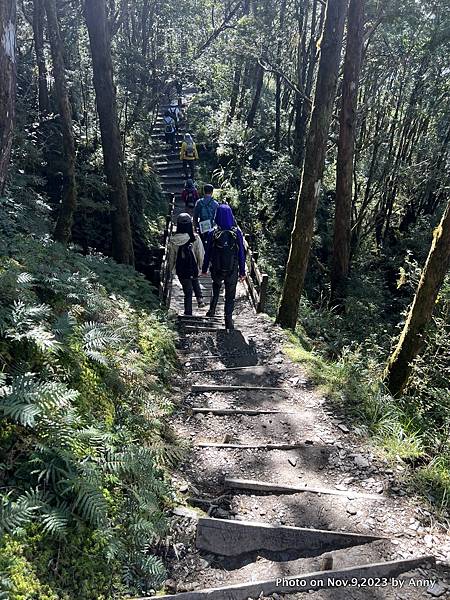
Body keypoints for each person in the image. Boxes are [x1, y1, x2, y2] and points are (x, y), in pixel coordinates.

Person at [201, 204, 246, 331]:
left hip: (216, 268)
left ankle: (212, 310)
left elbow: (207, 253)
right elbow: (241, 253)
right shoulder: (237, 233)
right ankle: (228, 319)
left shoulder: (212, 233)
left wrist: (204, 269)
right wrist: (242, 272)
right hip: (232, 269)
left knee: (216, 287)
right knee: (230, 295)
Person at [168, 213, 205, 315]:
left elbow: (172, 257)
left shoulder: (173, 240)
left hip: (181, 270)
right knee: (194, 279)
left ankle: (188, 312)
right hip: (193, 268)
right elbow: (200, 254)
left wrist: (172, 269)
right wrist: (200, 266)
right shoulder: (195, 238)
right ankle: (200, 298)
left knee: (187, 291)